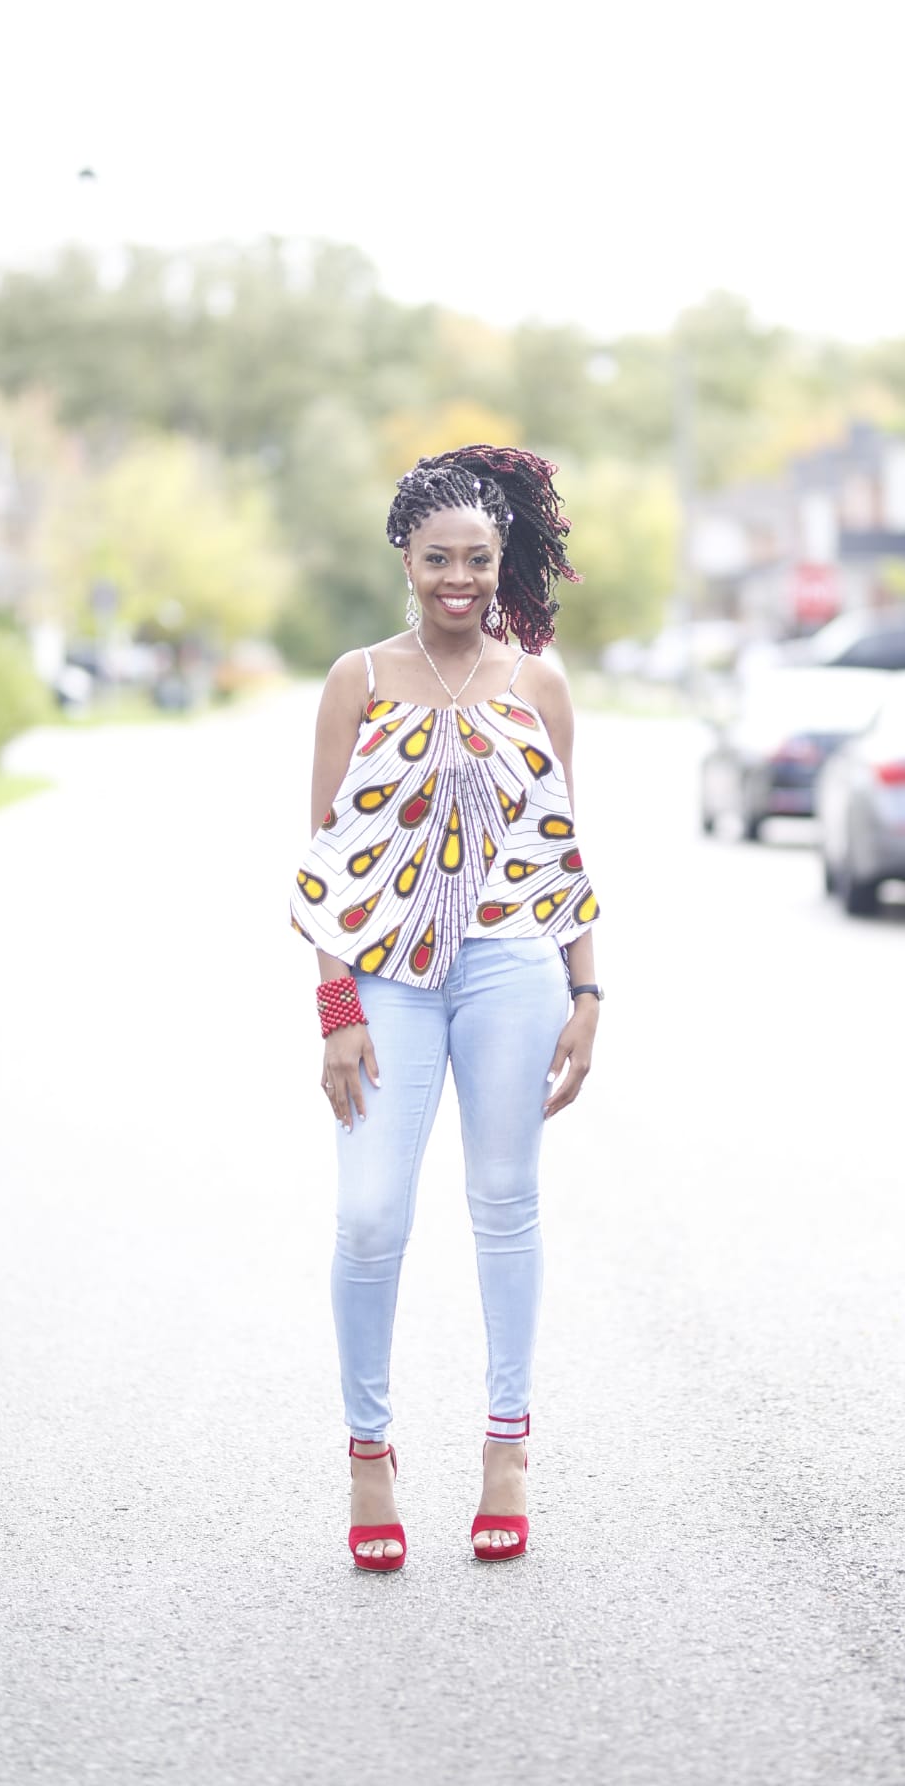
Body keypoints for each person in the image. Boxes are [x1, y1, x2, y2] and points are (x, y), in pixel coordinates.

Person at [290, 445, 603, 1571]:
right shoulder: (359, 680)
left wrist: (588, 984)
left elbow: (557, 845)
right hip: (387, 979)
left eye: (478, 557)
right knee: (371, 1215)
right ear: (407, 559)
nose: (459, 578)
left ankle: (506, 1447)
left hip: (515, 965)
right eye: (438, 559)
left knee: (506, 1199)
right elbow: (327, 857)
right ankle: (369, 1455)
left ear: (501, 556)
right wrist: (335, 1003)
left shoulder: (538, 682)